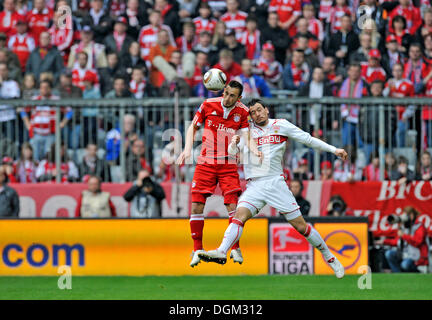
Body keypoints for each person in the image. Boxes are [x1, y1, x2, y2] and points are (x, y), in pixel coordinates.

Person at [198, 99, 347, 279]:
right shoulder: (246, 133)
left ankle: (329, 257)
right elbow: (231, 153)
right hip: (254, 185)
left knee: (301, 227)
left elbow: (307, 139)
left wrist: (334, 149)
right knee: (239, 217)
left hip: (275, 182)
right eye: (252, 112)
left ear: (266, 110)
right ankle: (222, 251)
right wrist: (233, 143)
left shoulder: (281, 125)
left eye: (259, 110)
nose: (257, 114)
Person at [175, 80, 262, 267]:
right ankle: (197, 249)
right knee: (197, 206)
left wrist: (254, 150)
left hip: (228, 163)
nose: (227, 98)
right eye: (226, 93)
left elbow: (247, 136)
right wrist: (187, 149)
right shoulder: (208, 104)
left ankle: (235, 248)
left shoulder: (242, 112)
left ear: (239, 98)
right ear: (223, 90)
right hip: (206, 162)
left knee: (233, 207)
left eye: (232, 95)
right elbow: (193, 127)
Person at [378, 206, 429, 273]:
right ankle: (398, 276)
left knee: (405, 265)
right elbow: (397, 242)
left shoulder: (419, 226)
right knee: (389, 254)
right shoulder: (404, 227)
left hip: (417, 257)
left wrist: (403, 235)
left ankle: (418, 273)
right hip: (405, 254)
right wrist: (383, 241)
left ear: (411, 215)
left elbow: (418, 241)